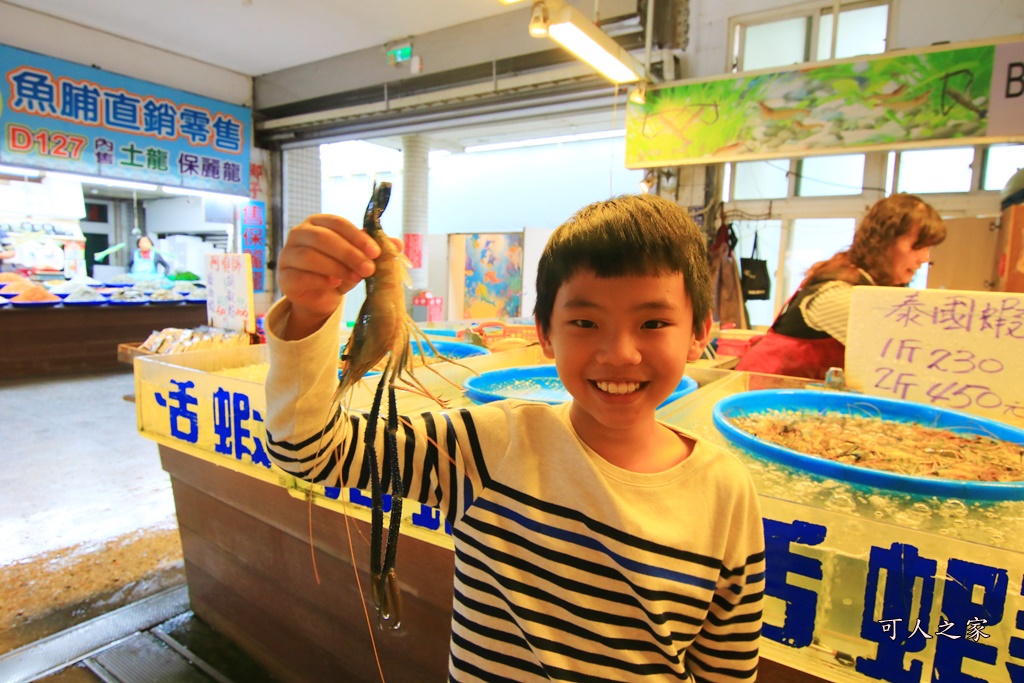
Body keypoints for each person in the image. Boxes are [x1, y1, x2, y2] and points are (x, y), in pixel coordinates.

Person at [264, 194, 765, 682]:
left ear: (699, 332)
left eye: (653, 322)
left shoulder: (726, 491)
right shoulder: (491, 444)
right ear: (545, 333)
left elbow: (727, 669)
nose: (619, 353)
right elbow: (307, 451)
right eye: (585, 322)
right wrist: (309, 313)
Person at [735, 193, 946, 381]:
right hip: (761, 392)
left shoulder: (867, 285)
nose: (924, 258)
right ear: (883, 244)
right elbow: (904, 352)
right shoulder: (838, 295)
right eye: (917, 247)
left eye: (928, 248)